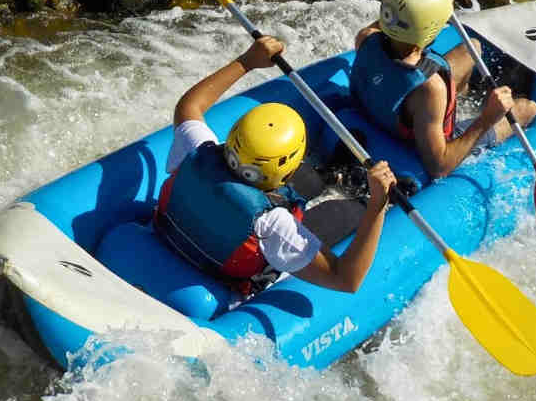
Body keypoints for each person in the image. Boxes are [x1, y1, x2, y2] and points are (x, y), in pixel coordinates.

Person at [154, 35, 396, 297]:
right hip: (226, 269)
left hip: (176, 231)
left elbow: (189, 105)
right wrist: (377, 206)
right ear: (286, 172)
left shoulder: (197, 150)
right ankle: (358, 196)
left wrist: (247, 61)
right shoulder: (274, 225)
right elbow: (346, 280)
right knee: (349, 211)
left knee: (310, 181)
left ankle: (332, 176)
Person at [348, 0, 536, 179]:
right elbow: (438, 166)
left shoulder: (366, 37)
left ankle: (459, 96)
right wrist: (487, 117)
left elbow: (396, 19)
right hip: (416, 133)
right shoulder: (431, 89)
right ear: (428, 31)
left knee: (472, 47)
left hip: (384, 104)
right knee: (528, 108)